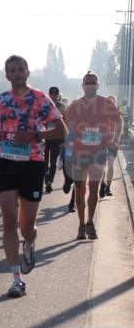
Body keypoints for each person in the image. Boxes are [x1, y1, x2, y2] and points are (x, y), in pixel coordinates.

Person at [0, 55, 66, 298]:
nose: (17, 73)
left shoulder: (40, 98)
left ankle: (29, 242)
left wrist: (35, 135)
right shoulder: (0, 100)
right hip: (6, 162)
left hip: (32, 164)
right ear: (7, 75)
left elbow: (61, 130)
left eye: (20, 69)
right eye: (12, 70)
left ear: (27, 72)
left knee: (26, 227)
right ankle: (16, 279)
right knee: (9, 220)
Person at [63, 72, 121, 239]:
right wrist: (68, 144)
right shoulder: (75, 105)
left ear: (97, 85)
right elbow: (66, 126)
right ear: (82, 86)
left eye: (93, 82)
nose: (90, 85)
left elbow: (119, 120)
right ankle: (81, 224)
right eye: (87, 82)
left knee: (94, 189)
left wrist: (115, 140)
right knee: (80, 190)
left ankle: (90, 223)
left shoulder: (106, 104)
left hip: (98, 153)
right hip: (79, 153)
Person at [43, 86, 67, 193]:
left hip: (57, 137)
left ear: (58, 95)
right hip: (45, 136)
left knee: (53, 161)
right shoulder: (44, 105)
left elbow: (65, 123)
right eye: (51, 94)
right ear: (49, 94)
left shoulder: (62, 106)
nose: (53, 96)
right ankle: (46, 175)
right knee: (44, 160)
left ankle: (49, 182)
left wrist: (65, 139)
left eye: (55, 94)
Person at [102, 94, 124, 197]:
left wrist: (116, 139)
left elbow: (121, 124)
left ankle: (108, 187)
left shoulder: (117, 114)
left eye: (112, 102)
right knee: (102, 164)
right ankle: (102, 184)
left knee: (110, 164)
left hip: (113, 141)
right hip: (103, 140)